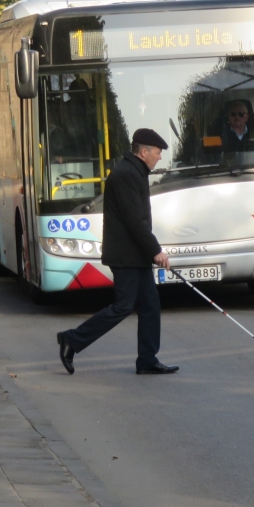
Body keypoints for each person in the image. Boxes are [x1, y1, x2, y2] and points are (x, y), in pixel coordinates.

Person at [57, 128, 179, 376]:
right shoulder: (126, 175)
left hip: (135, 255)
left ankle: (147, 359)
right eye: (157, 152)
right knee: (123, 306)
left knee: (150, 305)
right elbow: (135, 220)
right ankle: (72, 339)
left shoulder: (135, 171)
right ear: (144, 152)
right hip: (126, 256)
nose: (159, 157)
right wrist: (155, 250)